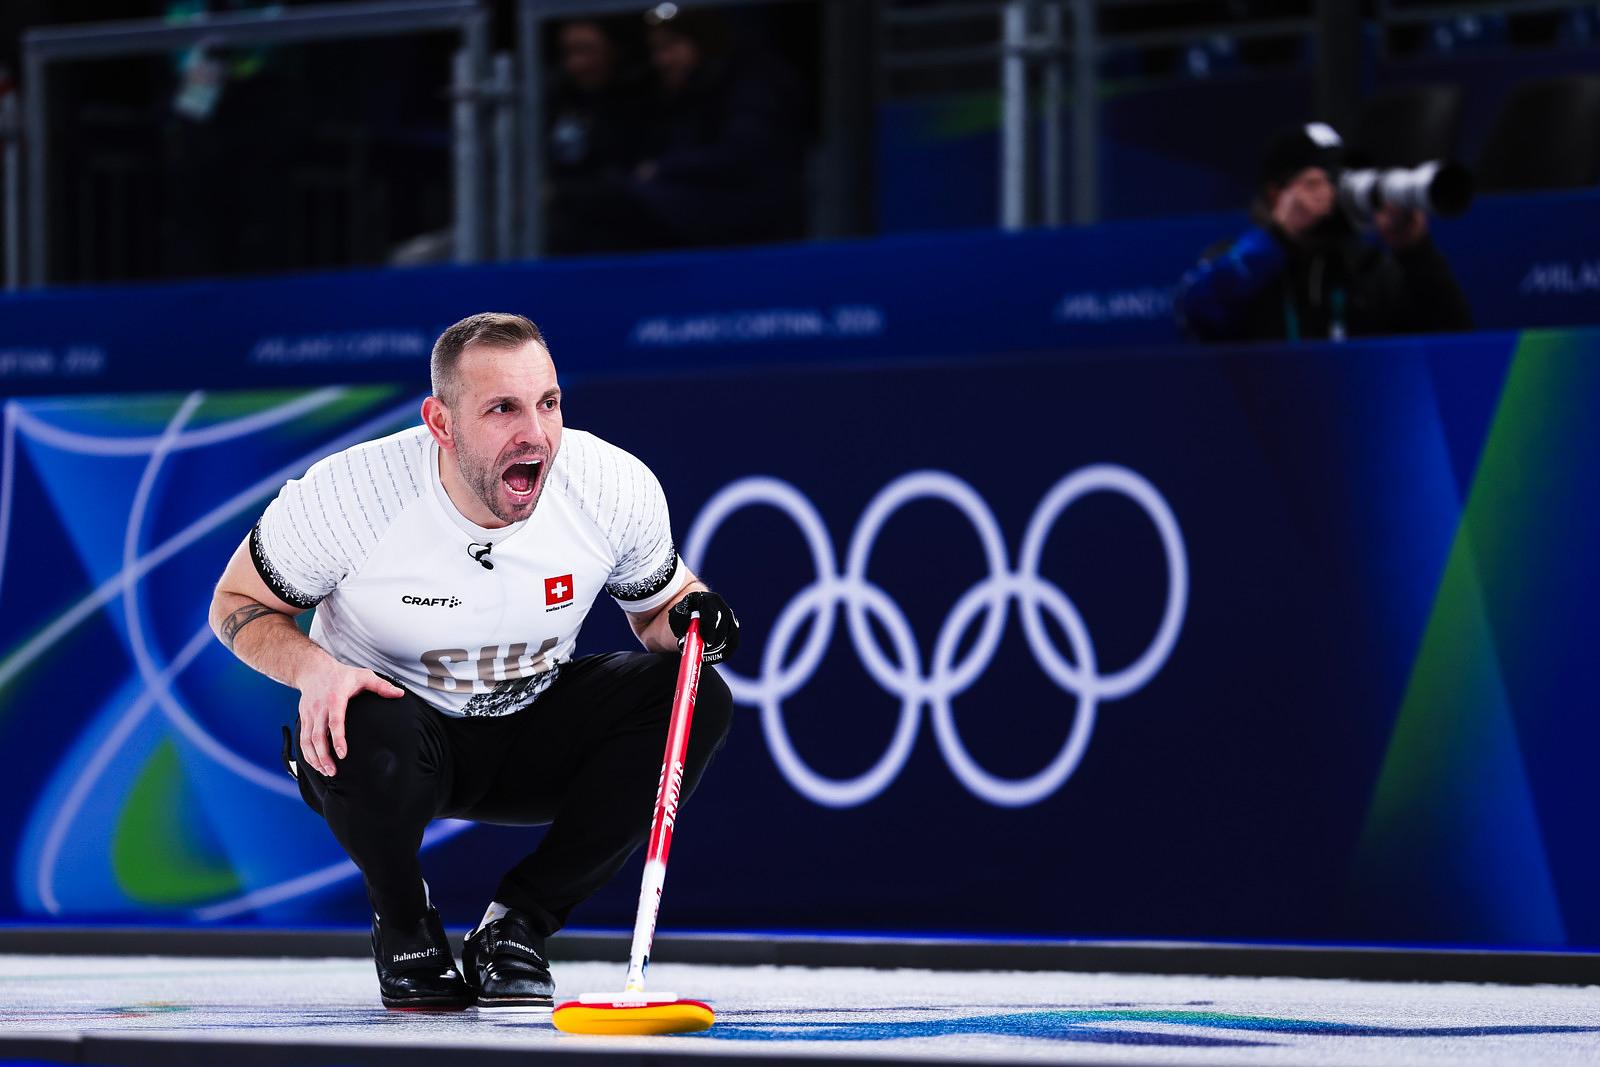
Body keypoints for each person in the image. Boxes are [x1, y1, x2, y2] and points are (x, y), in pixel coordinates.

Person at [208, 312, 738, 1011]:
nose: (535, 434)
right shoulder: (350, 495)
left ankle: (519, 925)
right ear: (441, 423)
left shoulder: (608, 484)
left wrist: (697, 618)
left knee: (698, 695)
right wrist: (315, 670)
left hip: (533, 733)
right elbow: (235, 602)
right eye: (502, 409)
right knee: (354, 714)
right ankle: (404, 923)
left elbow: (660, 611)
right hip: (394, 743)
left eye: (548, 403)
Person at [1174, 122, 1473, 342]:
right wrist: (1281, 236)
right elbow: (1195, 311)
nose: (1335, 193)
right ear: (1277, 195)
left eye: (1342, 179)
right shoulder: (1241, 262)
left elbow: (1455, 343)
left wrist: (1415, 252)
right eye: (1318, 182)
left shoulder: (1368, 268)